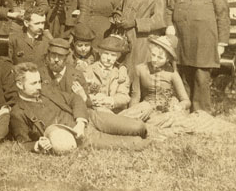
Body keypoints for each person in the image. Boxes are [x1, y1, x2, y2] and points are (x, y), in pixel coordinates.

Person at [10, 62, 148, 152]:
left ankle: (152, 132)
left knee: (138, 126)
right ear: (20, 85)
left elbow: (74, 98)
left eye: (39, 81)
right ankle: (153, 141)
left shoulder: (46, 90)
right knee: (136, 144)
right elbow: (23, 143)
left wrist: (81, 122)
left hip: (89, 118)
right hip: (80, 137)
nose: (39, 86)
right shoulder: (18, 112)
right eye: (33, 83)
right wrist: (37, 145)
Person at [172, 0, 230, 114]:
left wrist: (221, 43)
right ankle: (184, 110)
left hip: (204, 40)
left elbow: (223, 16)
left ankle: (201, 113)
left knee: (201, 76)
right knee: (184, 74)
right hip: (183, 39)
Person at [122, 34, 191, 128]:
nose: (154, 60)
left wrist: (180, 106)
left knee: (172, 117)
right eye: (153, 55)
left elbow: (186, 101)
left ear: (168, 59)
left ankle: (147, 126)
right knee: (143, 109)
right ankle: (133, 124)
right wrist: (133, 111)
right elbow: (135, 96)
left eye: (160, 58)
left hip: (167, 111)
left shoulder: (172, 73)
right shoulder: (140, 69)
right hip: (146, 109)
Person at [112, 0, 166, 73]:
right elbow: (119, 7)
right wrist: (117, 16)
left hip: (141, 41)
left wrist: (135, 23)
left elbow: (158, 20)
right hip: (123, 37)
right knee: (120, 70)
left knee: (135, 72)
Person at [83, 36, 132, 113]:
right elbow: (81, 91)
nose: (109, 58)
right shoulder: (88, 70)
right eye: (106, 54)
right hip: (94, 110)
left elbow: (124, 96)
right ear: (100, 52)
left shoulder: (121, 73)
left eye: (113, 55)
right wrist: (92, 98)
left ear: (118, 56)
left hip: (114, 112)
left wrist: (110, 100)